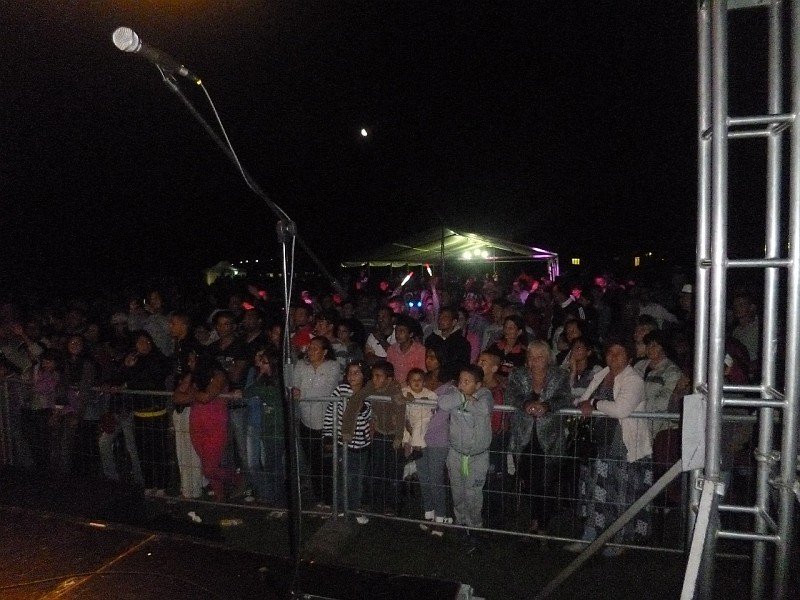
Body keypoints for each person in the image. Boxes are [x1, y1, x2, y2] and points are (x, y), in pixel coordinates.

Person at [568, 339, 651, 557]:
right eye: (610, 352)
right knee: (595, 491)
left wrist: (594, 404)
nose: (613, 356)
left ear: (629, 357)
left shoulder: (634, 380)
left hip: (623, 445)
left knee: (622, 494)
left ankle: (621, 538)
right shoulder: (601, 374)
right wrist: (586, 403)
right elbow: (581, 400)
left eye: (619, 352)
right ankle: (590, 535)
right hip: (599, 443)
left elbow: (621, 409)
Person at [506, 340, 572, 534]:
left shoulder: (560, 375)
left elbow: (564, 397)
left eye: (540, 357)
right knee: (527, 480)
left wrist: (547, 406)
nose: (535, 361)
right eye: (532, 357)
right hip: (524, 437)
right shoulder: (518, 374)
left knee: (546, 482)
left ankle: (542, 524)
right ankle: (535, 519)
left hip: (549, 438)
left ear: (548, 358)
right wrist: (526, 404)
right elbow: (511, 395)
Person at [439, 365, 493, 551]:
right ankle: (460, 524)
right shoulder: (455, 392)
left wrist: (463, 401)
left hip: (477, 457)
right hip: (456, 454)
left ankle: (475, 527)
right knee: (457, 492)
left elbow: (483, 409)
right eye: (460, 380)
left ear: (478, 385)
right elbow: (443, 403)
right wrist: (464, 397)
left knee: (473, 494)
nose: (461, 385)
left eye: (467, 382)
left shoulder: (485, 394)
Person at [173, 353, 240, 501]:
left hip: (215, 426)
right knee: (206, 464)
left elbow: (206, 397)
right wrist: (195, 395)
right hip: (197, 425)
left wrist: (192, 393)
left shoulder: (218, 375)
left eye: (193, 360)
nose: (189, 364)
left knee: (209, 469)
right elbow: (177, 397)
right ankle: (219, 495)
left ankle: (238, 479)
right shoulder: (193, 376)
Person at [292, 336, 340, 504]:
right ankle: (319, 497)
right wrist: (299, 393)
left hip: (326, 423)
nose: (311, 351)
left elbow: (326, 390)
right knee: (312, 461)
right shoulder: (301, 365)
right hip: (306, 420)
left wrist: (302, 394)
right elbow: (294, 386)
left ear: (325, 352)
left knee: (327, 462)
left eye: (315, 348)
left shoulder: (332, 366)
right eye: (310, 347)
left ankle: (330, 499)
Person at [323, 361, 373, 523]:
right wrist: (328, 435)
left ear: (364, 375)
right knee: (342, 476)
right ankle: (340, 508)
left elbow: (369, 415)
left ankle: (354, 508)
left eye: (356, 372)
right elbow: (330, 412)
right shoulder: (341, 390)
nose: (352, 376)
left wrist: (361, 406)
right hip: (342, 442)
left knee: (357, 478)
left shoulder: (369, 391)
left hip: (361, 444)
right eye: (350, 372)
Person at [122, 331, 169, 495]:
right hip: (139, 413)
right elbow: (123, 379)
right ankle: (149, 484)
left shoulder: (158, 358)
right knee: (143, 451)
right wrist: (127, 367)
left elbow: (153, 379)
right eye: (140, 342)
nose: (145, 344)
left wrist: (131, 380)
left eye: (147, 341)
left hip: (157, 411)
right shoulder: (131, 360)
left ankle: (162, 485)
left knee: (160, 450)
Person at [240, 347, 286, 506]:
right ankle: (273, 497)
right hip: (269, 427)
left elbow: (249, 392)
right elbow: (250, 391)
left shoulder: (277, 383)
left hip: (277, 428)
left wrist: (259, 378)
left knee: (274, 465)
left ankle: (277, 499)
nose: (261, 365)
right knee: (271, 464)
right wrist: (261, 375)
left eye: (265, 363)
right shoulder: (267, 380)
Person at [168, 312, 204, 499]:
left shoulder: (191, 346)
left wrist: (184, 389)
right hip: (181, 401)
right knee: (182, 448)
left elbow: (195, 372)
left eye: (173, 323)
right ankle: (187, 487)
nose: (170, 327)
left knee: (190, 448)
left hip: (188, 402)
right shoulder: (179, 345)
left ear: (184, 325)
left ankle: (193, 488)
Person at [363, 360, 405, 515]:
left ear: (388, 379)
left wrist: (399, 437)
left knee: (394, 471)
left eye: (378, 376)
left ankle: (392, 504)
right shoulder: (372, 389)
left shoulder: (395, 392)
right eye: (373, 375)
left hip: (394, 436)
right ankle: (372, 501)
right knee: (375, 469)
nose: (374, 379)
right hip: (379, 433)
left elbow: (401, 414)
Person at [425, 306, 471, 383]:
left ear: (454, 322)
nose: (441, 320)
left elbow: (463, 367)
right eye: (440, 317)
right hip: (432, 380)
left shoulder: (462, 343)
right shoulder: (431, 340)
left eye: (445, 317)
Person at [400, 368, 436, 461]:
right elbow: (401, 395)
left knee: (417, 430)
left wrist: (427, 400)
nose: (416, 382)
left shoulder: (428, 393)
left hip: (423, 418)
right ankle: (405, 453)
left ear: (424, 382)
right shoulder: (406, 390)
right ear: (408, 382)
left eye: (419, 380)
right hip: (410, 418)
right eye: (413, 380)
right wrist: (407, 396)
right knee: (405, 434)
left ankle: (417, 449)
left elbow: (435, 402)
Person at [386, 314, 426, 386]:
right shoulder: (391, 350)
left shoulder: (420, 351)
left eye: (401, 331)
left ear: (411, 334)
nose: (397, 335)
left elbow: (422, 374)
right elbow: (389, 373)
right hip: (394, 388)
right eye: (396, 331)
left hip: (413, 387)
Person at [486, 315, 528, 380]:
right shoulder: (495, 346)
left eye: (511, 328)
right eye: (505, 327)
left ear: (519, 332)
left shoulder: (523, 352)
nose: (506, 330)